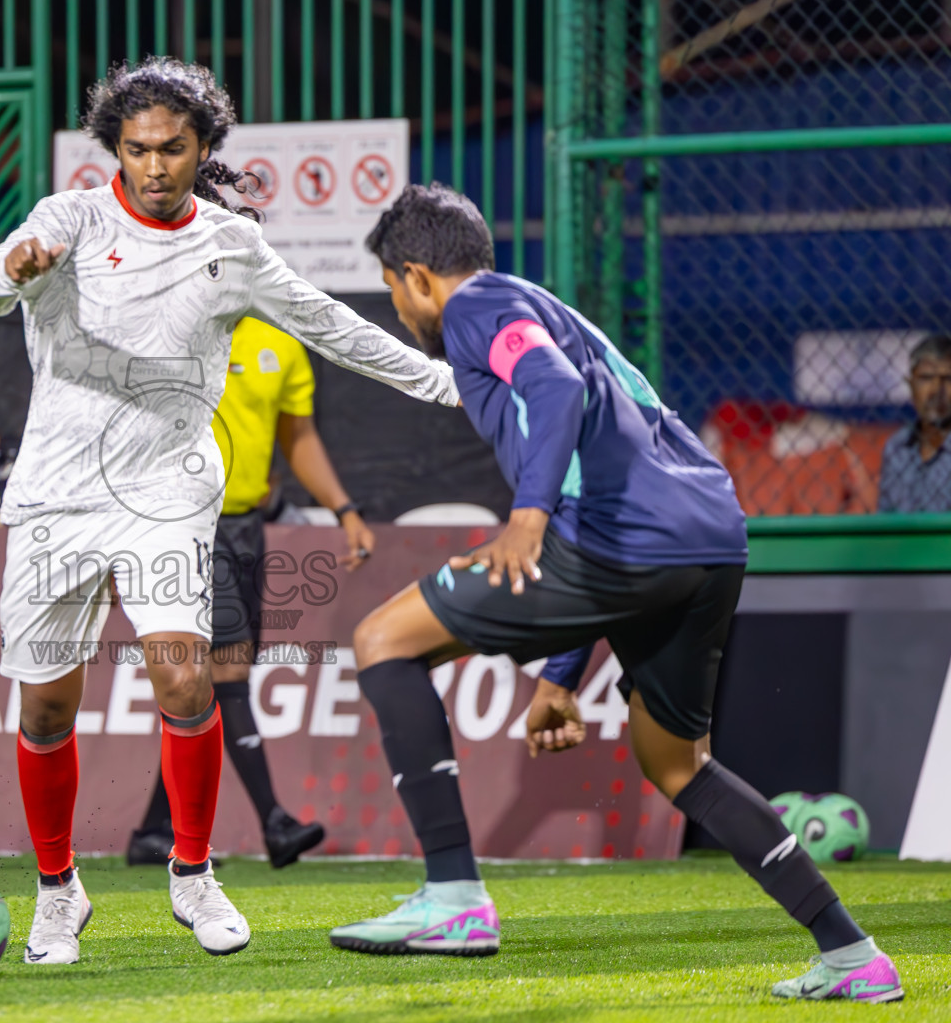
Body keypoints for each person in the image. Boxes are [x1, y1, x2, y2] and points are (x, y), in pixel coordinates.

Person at [326, 184, 903, 1005]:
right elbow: (597, 461)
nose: (396, 304)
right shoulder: (547, 309)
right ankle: (852, 955)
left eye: (390, 287)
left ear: (416, 274)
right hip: (709, 542)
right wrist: (560, 678)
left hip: (622, 541)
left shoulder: (476, 307)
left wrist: (524, 519)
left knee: (383, 640)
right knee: (675, 762)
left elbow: (554, 394)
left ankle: (453, 898)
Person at [0, 57, 459, 965]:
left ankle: (192, 875)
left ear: (203, 150)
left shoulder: (231, 247)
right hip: (57, 500)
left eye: (174, 149)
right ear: (113, 147)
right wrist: (14, 265)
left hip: (164, 495)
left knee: (188, 681)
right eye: (138, 148)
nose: (154, 166)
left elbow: (332, 326)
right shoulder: (67, 220)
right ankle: (56, 894)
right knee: (44, 709)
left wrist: (440, 382)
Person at [126, 316, 369, 869]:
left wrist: (344, 510)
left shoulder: (280, 342)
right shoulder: (169, 327)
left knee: (211, 679)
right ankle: (274, 822)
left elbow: (298, 438)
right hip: (181, 521)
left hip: (245, 528)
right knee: (229, 670)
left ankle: (153, 831)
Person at [878, 334, 951, 513]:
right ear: (910, 386)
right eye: (926, 378)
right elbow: (885, 521)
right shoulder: (896, 447)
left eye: (948, 379)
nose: (935, 390)